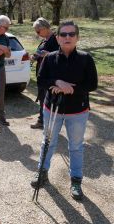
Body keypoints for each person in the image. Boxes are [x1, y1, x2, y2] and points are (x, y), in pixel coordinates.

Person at [30, 20, 98, 200]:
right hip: (52, 108)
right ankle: (42, 172)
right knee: (48, 142)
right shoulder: (50, 57)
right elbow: (41, 79)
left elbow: (92, 84)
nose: (67, 37)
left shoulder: (85, 58)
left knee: (75, 147)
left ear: (77, 37)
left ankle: (76, 180)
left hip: (77, 111)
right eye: (63, 34)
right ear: (57, 38)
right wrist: (57, 82)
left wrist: (72, 89)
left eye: (71, 34)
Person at [30, 18, 59, 129]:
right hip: (42, 74)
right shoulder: (45, 39)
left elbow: (61, 54)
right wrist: (34, 56)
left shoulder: (56, 38)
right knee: (42, 98)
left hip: (50, 75)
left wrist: (48, 54)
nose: (37, 34)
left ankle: (47, 122)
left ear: (45, 28)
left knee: (49, 99)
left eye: (38, 31)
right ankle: (42, 121)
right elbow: (41, 53)